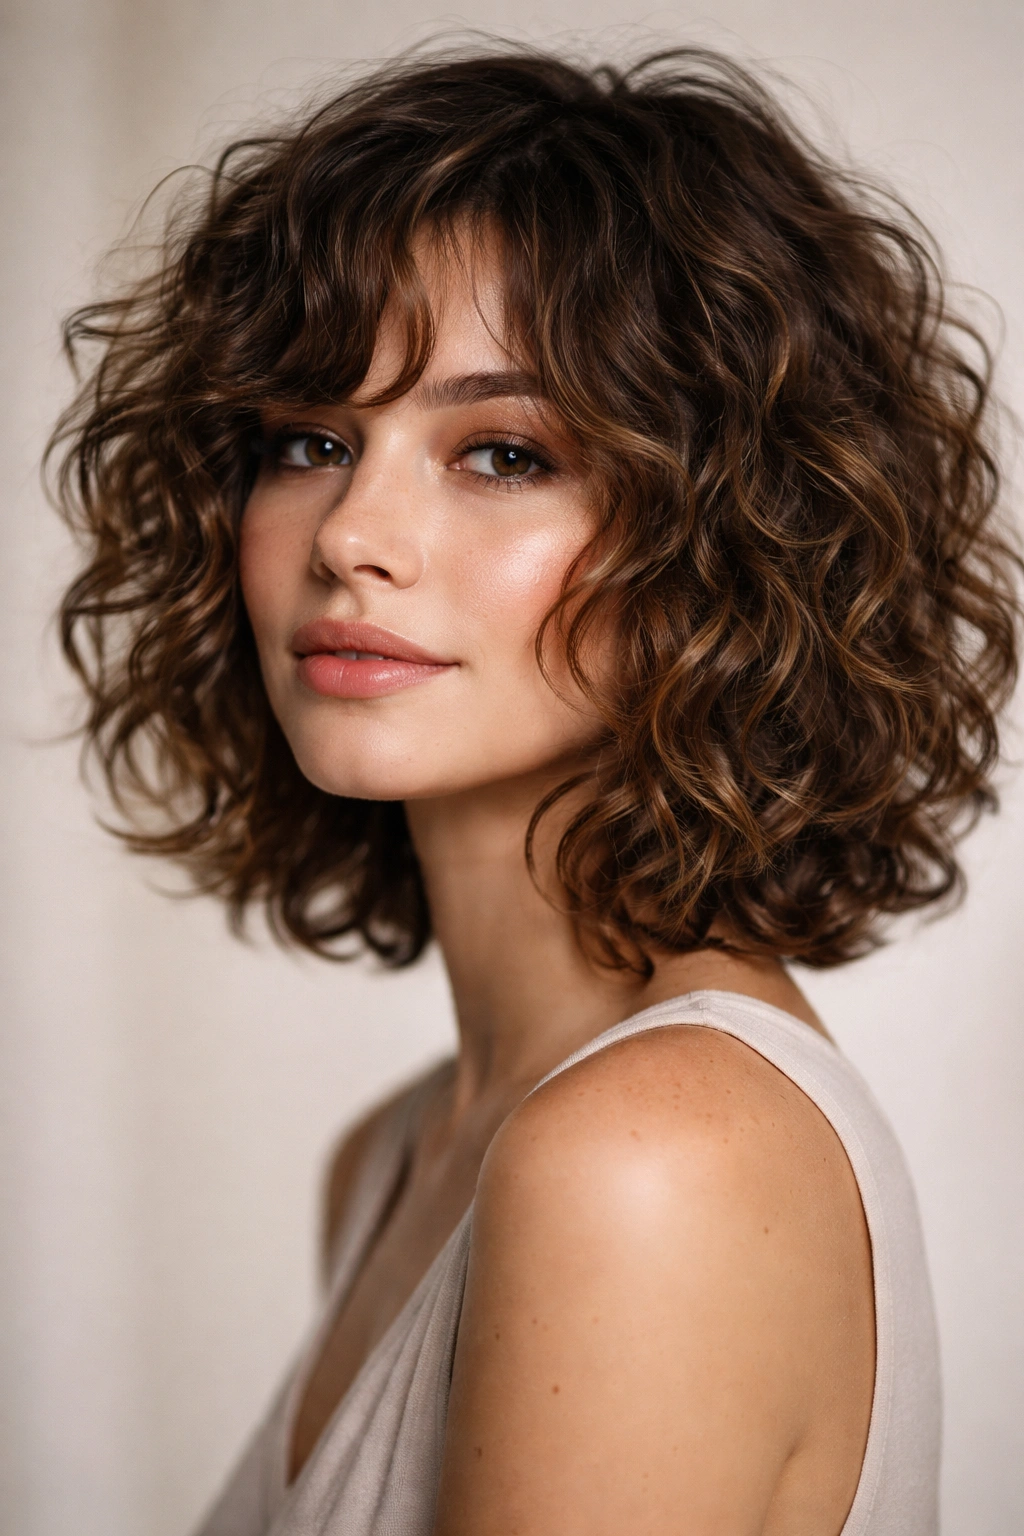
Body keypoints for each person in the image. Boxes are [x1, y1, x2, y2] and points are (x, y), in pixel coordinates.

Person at [49, 44, 1020, 1536]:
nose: (353, 535)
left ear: (729, 539)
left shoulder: (643, 1162)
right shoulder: (397, 1155)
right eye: (310, 439)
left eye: (503, 453)